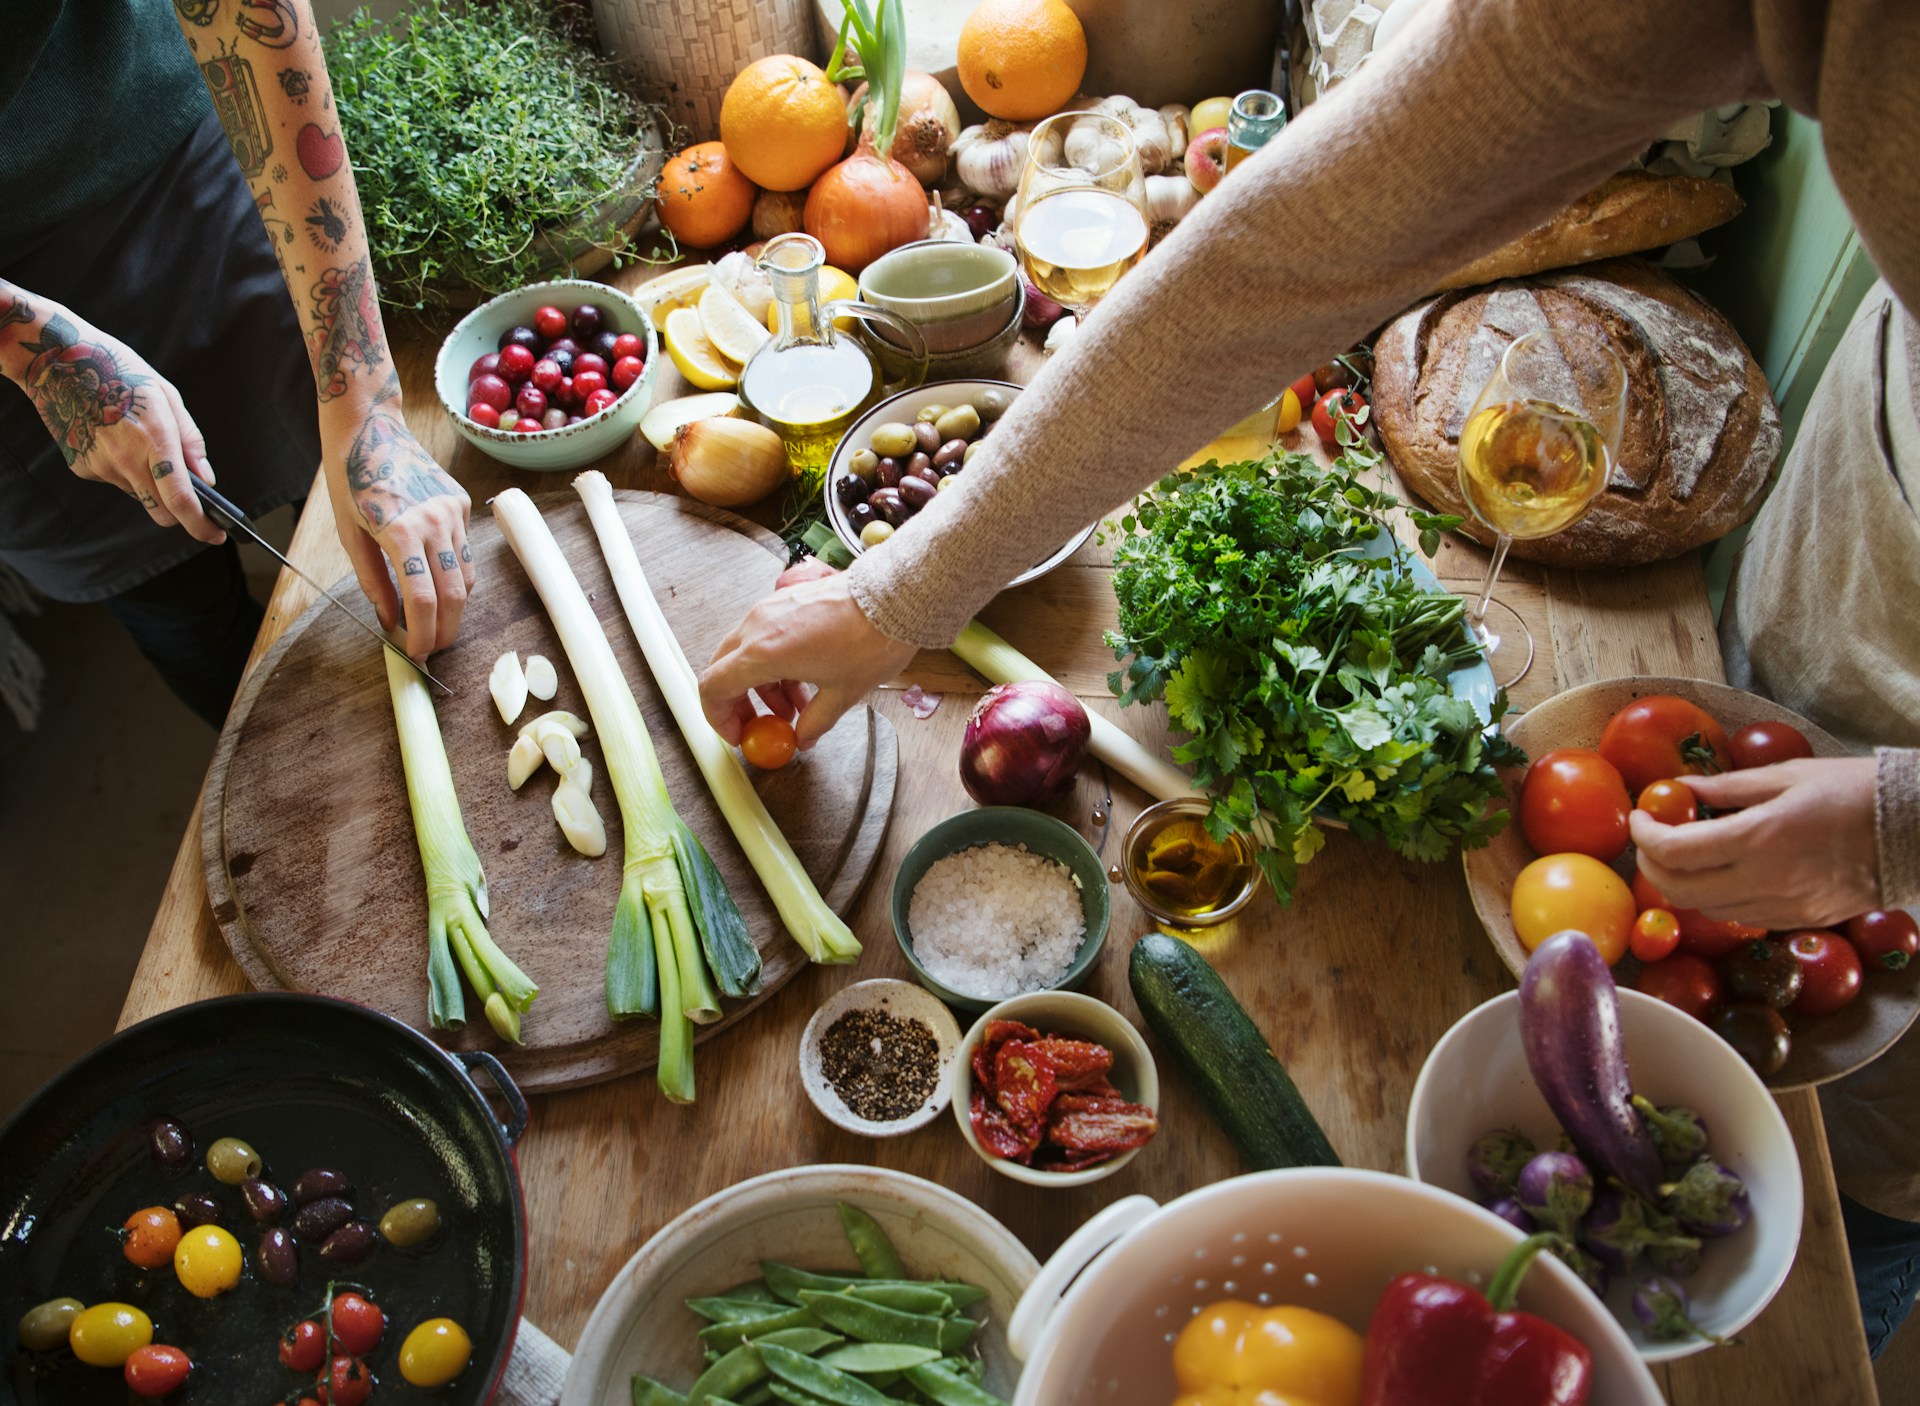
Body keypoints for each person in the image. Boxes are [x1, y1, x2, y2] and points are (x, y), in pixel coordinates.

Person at [693, 0, 1920, 1354]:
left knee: (1861, 1145)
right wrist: (901, 592)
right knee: (1793, 877)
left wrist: (1895, 826)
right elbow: (1295, 244)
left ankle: (1862, 1266)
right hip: (1882, 499)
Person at [0, 0, 471, 729]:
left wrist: (368, 401)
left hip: (168, 153)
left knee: (345, 489)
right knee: (181, 608)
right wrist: (24, 345)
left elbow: (246, 15)